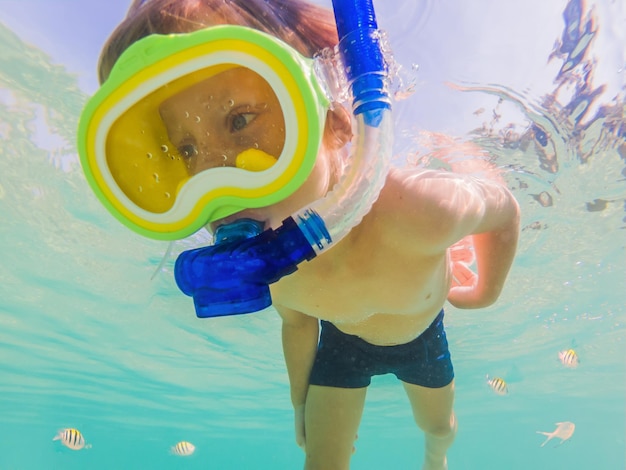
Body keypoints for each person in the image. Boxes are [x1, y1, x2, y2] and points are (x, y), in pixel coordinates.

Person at [96, 1, 520, 469]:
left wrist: (485, 292)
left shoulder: (421, 211)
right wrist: (299, 402)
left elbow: (505, 212)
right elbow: (298, 324)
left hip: (422, 339)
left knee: (438, 427)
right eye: (188, 151)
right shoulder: (277, 265)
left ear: (336, 119)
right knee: (321, 460)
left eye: (240, 120)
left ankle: (436, 457)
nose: (220, 182)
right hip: (343, 347)